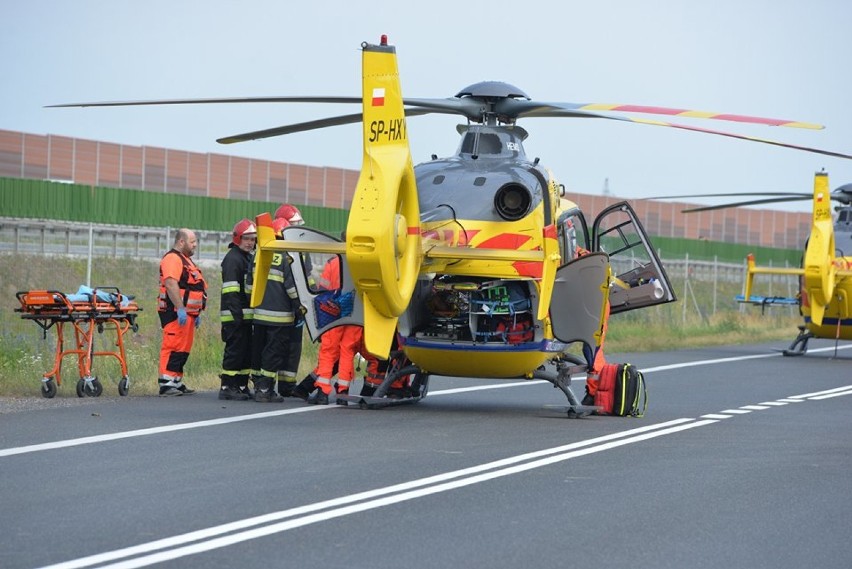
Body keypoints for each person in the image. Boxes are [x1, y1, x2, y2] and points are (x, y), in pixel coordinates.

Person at [248, 217, 301, 402]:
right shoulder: (286, 256)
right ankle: (265, 390)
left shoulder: (259, 252)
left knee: (259, 350)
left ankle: (258, 386)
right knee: (274, 352)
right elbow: (292, 288)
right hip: (280, 316)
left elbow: (249, 286)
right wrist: (299, 307)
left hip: (258, 314)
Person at [157, 228, 207, 396]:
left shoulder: (186, 260)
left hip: (188, 314)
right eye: (192, 242)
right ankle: (166, 382)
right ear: (181, 242)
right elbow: (171, 284)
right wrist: (180, 309)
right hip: (175, 312)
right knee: (173, 346)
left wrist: (195, 313)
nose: (195, 245)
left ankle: (176, 380)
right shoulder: (173, 258)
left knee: (182, 348)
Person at [218, 219, 256, 401]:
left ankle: (241, 384)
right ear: (237, 239)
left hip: (245, 315)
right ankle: (227, 386)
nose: (250, 242)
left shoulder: (247, 257)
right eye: (246, 239)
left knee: (246, 351)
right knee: (234, 351)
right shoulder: (233, 259)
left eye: (253, 239)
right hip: (234, 315)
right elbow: (231, 290)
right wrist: (237, 315)